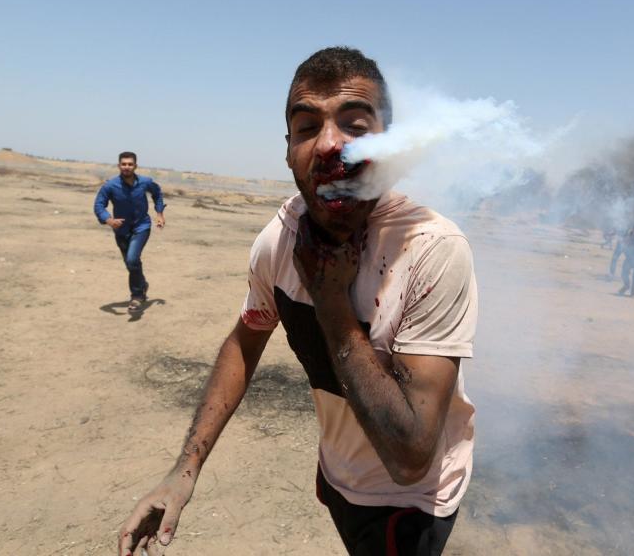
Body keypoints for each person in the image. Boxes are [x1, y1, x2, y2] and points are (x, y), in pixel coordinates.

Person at [118, 47, 478, 556]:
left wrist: (330, 299)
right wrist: (184, 470)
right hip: (337, 473)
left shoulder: (433, 250)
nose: (331, 145)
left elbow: (411, 456)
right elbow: (246, 340)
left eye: (355, 125)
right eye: (307, 127)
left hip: (410, 504)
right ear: (289, 149)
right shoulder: (280, 238)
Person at [94, 151, 165, 311]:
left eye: (130, 164)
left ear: (135, 166)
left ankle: (137, 297)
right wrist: (108, 219)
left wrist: (159, 213)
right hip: (121, 230)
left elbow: (157, 193)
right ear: (119, 166)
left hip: (141, 227)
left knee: (132, 259)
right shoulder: (110, 186)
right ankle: (142, 284)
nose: (127, 167)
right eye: (124, 164)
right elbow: (99, 205)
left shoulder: (145, 182)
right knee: (130, 263)